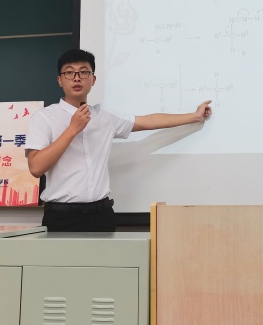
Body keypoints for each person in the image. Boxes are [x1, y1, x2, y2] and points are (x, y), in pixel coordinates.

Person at [25, 48, 212, 232]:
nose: (77, 78)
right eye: (69, 72)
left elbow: (149, 121)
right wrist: (73, 129)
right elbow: (36, 167)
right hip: (61, 216)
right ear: (59, 80)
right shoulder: (44, 117)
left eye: (84, 72)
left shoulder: (104, 116)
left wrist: (194, 116)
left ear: (93, 79)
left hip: (101, 214)